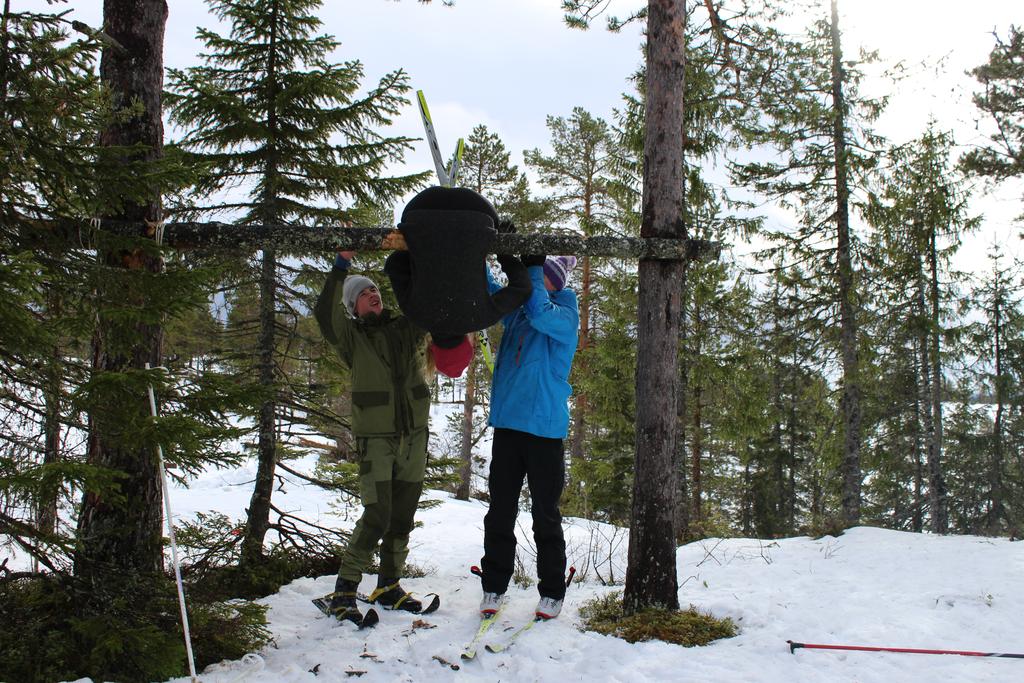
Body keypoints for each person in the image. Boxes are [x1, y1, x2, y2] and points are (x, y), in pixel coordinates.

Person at [314, 249, 472, 624]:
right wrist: (341, 268)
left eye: (375, 289)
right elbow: (325, 314)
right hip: (378, 439)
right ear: (354, 305)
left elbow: (430, 309)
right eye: (364, 292)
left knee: (402, 515)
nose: (374, 294)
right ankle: (344, 590)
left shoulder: (406, 326)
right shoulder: (352, 338)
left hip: (414, 437)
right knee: (376, 515)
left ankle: (388, 584)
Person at [478, 251, 579, 620]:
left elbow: (539, 311)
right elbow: (490, 296)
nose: (536, 283)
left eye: (542, 277)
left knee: (545, 516)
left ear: (553, 281)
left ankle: (552, 591)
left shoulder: (564, 316)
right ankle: (494, 586)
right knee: (499, 513)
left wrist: (531, 269)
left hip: (544, 433)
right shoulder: (519, 312)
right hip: (508, 428)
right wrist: (486, 253)